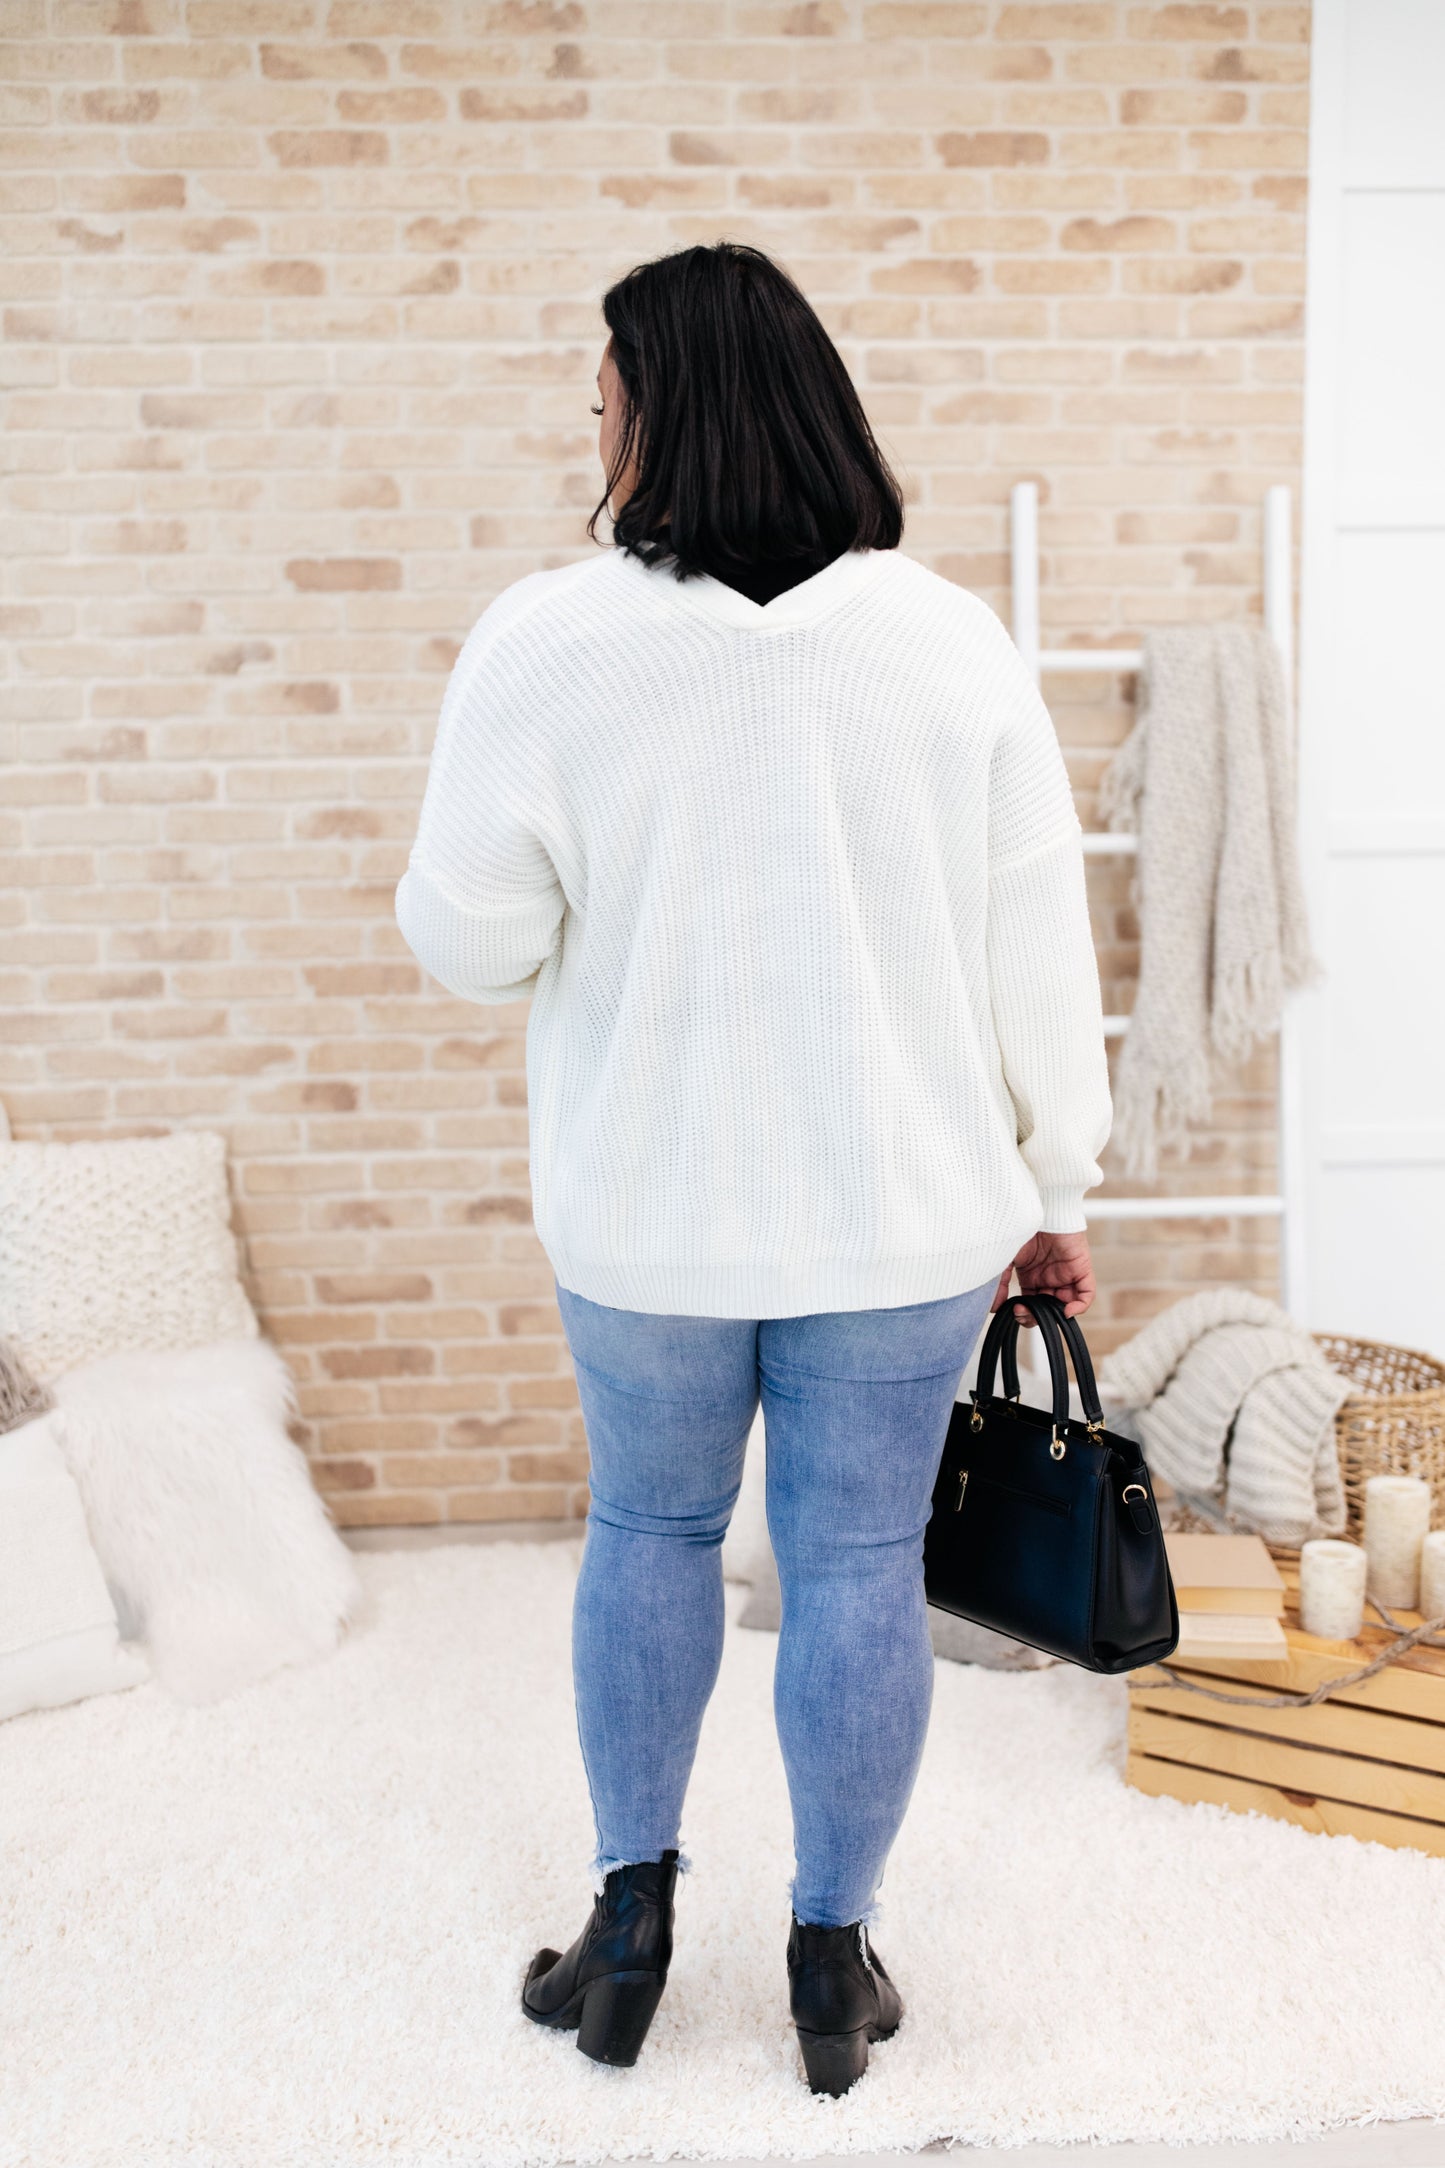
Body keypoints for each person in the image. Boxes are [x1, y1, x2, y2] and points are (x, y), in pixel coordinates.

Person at [394, 242, 1111, 2095]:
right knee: (855, 1559)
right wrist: (1060, 1185)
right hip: (905, 1213)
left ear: (658, 410)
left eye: (603, 397)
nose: (595, 428)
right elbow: (1039, 950)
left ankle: (627, 1935)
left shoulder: (545, 638)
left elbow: (470, 943)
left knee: (647, 1532)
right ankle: (825, 1960)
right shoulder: (950, 639)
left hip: (647, 1212)